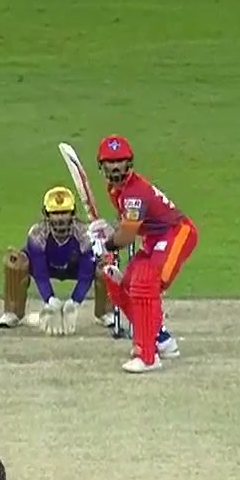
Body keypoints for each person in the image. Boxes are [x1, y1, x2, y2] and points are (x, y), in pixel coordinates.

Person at [83, 136, 195, 373]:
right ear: (102, 165)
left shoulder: (134, 192)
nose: (115, 166)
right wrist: (107, 231)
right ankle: (161, 339)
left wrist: (106, 244)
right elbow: (127, 225)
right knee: (120, 283)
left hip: (177, 234)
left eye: (120, 161)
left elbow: (126, 236)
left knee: (145, 282)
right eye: (110, 162)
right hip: (155, 239)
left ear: (129, 162)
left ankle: (148, 356)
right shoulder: (115, 190)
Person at [0, 187, 113, 333]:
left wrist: (74, 302)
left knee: (106, 266)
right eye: (55, 213)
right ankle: (13, 313)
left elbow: (86, 273)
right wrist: (50, 300)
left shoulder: (85, 234)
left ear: (72, 213)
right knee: (15, 263)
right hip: (46, 266)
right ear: (46, 214)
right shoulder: (37, 234)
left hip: (74, 267)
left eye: (64, 212)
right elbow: (40, 273)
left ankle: (104, 313)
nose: (60, 218)